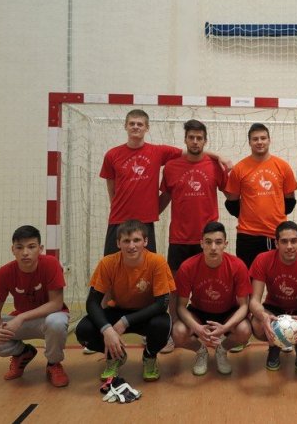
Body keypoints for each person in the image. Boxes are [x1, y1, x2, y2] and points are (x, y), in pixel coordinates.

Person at [100, 109, 230, 255]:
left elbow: (192, 152)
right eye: (132, 123)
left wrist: (219, 156)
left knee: (146, 265)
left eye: (140, 124)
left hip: (145, 221)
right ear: (125, 126)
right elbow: (111, 187)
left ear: (147, 128)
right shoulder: (112, 155)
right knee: (112, 264)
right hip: (118, 219)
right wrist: (116, 207)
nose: (136, 127)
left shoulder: (158, 152)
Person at [158, 119, 229, 353]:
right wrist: (145, 216)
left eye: (199, 138)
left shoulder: (215, 166)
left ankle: (217, 331)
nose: (195, 141)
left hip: (209, 241)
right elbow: (164, 198)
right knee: (175, 289)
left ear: (205, 141)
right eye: (191, 137)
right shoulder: (171, 167)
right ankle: (172, 332)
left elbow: (231, 194)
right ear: (185, 139)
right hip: (179, 239)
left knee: (212, 286)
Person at [0, 225, 69, 387]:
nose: (25, 252)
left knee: (56, 322)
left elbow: (56, 304)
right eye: (19, 247)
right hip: (20, 322)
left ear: (40, 249)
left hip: (47, 318)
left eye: (31, 247)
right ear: (13, 250)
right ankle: (22, 353)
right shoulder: (5, 272)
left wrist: (21, 317)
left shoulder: (51, 264)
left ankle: (53, 364)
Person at [75, 220, 174, 382]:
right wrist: (107, 329)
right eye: (126, 241)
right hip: (117, 310)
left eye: (136, 240)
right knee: (84, 330)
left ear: (145, 242)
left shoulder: (157, 262)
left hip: (146, 313)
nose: (131, 246)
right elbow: (92, 303)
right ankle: (115, 356)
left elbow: (161, 304)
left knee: (163, 325)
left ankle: (149, 356)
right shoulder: (107, 263)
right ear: (118, 243)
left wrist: (125, 321)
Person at [172, 222, 252, 376]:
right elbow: (181, 306)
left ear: (225, 244)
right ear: (201, 244)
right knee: (178, 332)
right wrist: (197, 328)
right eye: (208, 242)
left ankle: (221, 350)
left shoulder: (238, 266)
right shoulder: (187, 267)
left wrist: (225, 328)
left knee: (244, 330)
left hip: (228, 312)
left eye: (218, 242)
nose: (213, 247)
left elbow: (244, 306)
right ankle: (201, 351)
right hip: (199, 312)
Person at [249, 221, 297, 371]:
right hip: (275, 307)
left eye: (293, 241)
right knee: (257, 324)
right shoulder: (262, 259)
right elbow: (254, 301)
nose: (289, 246)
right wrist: (264, 316)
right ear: (276, 243)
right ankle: (274, 347)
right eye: (284, 241)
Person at [224, 123, 297, 269]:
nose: (259, 142)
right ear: (249, 142)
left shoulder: (283, 166)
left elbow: (290, 201)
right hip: (247, 235)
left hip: (276, 233)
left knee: (276, 278)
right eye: (255, 139)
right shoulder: (239, 168)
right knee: (248, 278)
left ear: (269, 140)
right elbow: (232, 203)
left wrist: (274, 214)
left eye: (263, 138)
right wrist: (250, 216)